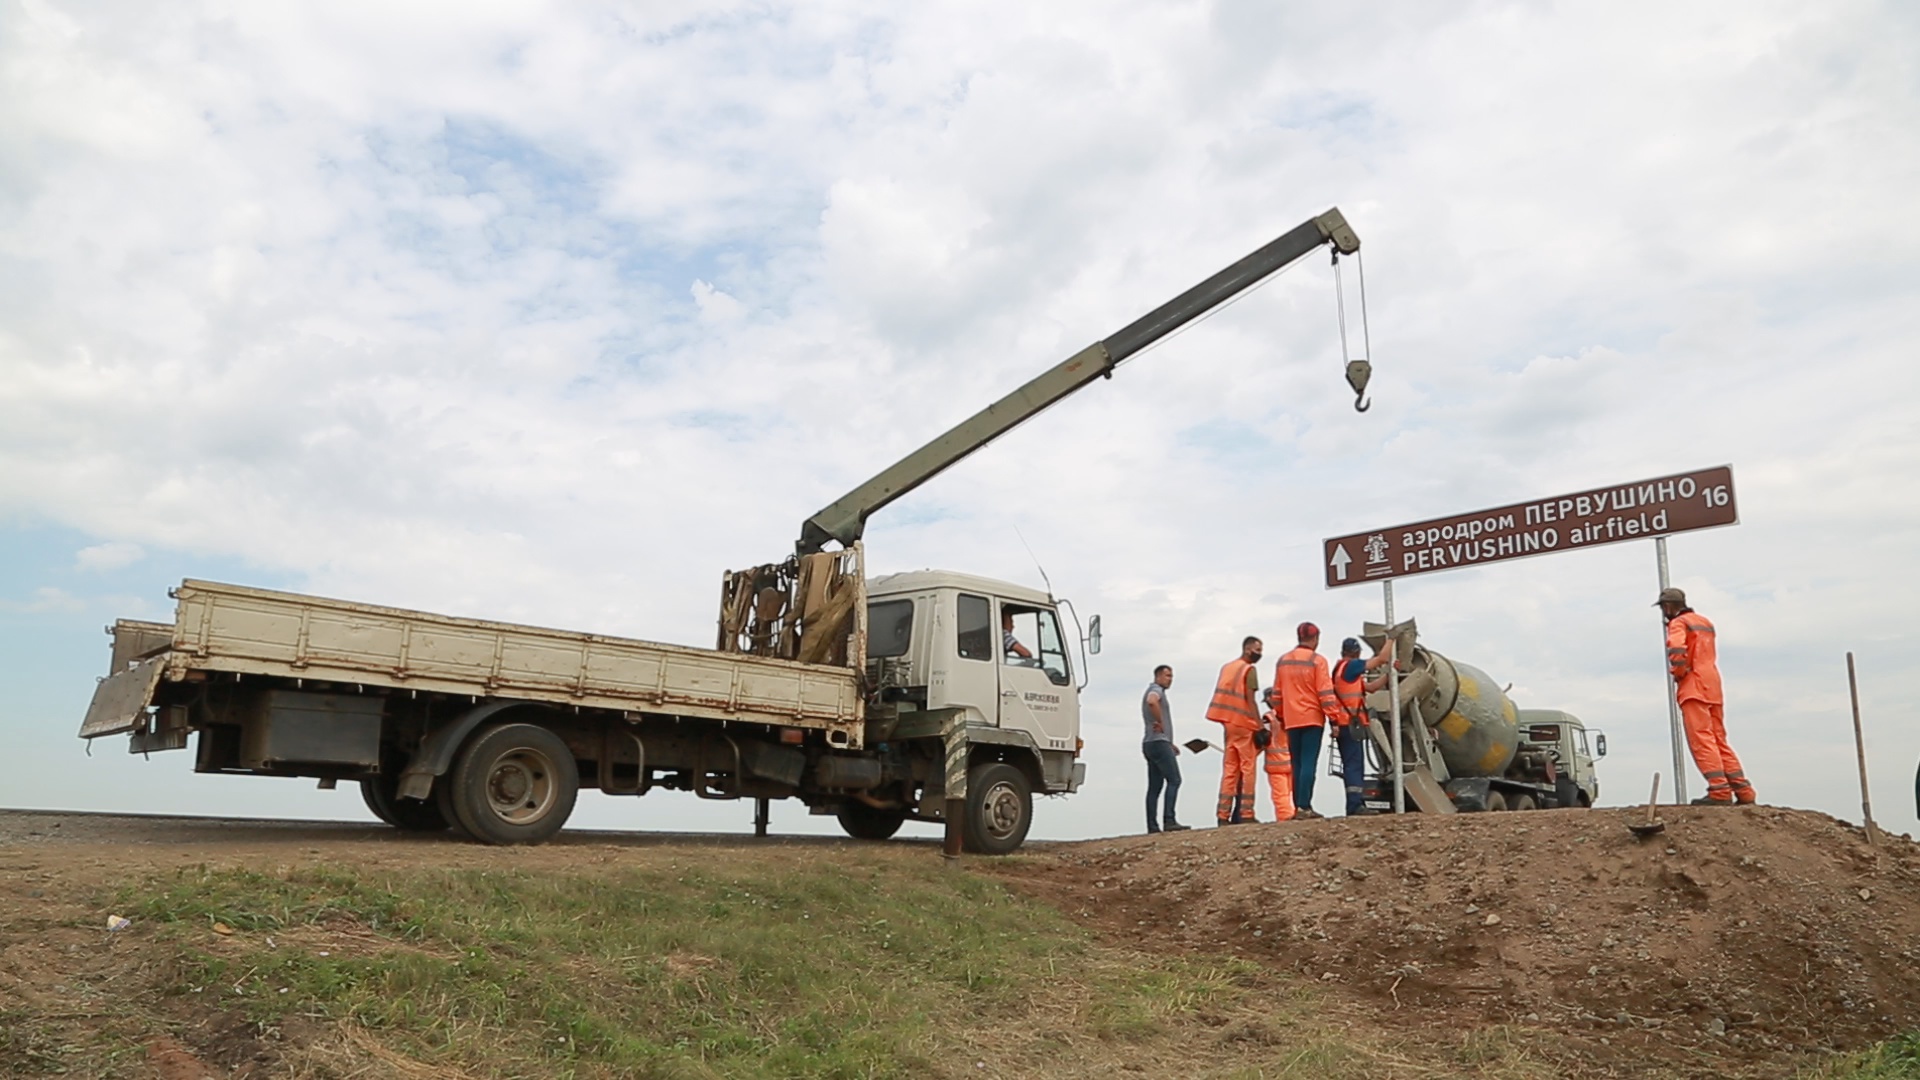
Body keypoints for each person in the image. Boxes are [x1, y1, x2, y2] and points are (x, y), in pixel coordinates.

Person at [1658, 587, 1755, 805]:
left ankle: (1719, 791)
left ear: (1668, 606)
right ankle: (1744, 791)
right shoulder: (1705, 622)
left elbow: (1676, 647)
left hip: (1694, 686)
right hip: (1713, 685)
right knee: (1719, 739)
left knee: (1702, 739)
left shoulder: (1678, 623)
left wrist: (1679, 672)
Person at [1273, 622, 1343, 819]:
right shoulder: (1317, 661)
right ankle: (1305, 806)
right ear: (1315, 639)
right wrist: (1334, 719)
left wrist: (1280, 714)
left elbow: (1277, 693)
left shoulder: (1283, 661)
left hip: (1291, 719)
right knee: (1308, 762)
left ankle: (1298, 807)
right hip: (1312, 718)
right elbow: (1325, 693)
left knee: (1296, 764)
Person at [1330, 636, 1395, 816]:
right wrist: (1391, 639)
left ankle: (1355, 803)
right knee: (1354, 765)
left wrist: (1388, 676)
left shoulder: (1343, 670)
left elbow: (1371, 688)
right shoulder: (1351, 667)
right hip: (1349, 725)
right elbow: (1381, 659)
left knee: (1353, 764)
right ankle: (1354, 806)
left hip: (1346, 724)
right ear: (1356, 653)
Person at [1204, 637, 1266, 825]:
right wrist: (1260, 727)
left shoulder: (1227, 667)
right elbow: (1250, 700)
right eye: (1257, 649)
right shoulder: (1249, 670)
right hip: (1244, 723)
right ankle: (1246, 813)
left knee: (1230, 769)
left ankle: (1223, 815)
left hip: (1227, 723)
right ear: (1247, 649)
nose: (1259, 653)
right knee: (1247, 769)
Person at [1142, 665, 1189, 833]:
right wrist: (1160, 722)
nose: (1170, 679)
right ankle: (1169, 820)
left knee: (1154, 787)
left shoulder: (1154, 689)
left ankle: (1152, 826)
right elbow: (1152, 701)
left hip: (1151, 743)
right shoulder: (1156, 690)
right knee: (1174, 780)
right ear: (1158, 676)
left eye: (1171, 676)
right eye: (1167, 676)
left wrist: (1170, 743)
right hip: (1158, 742)